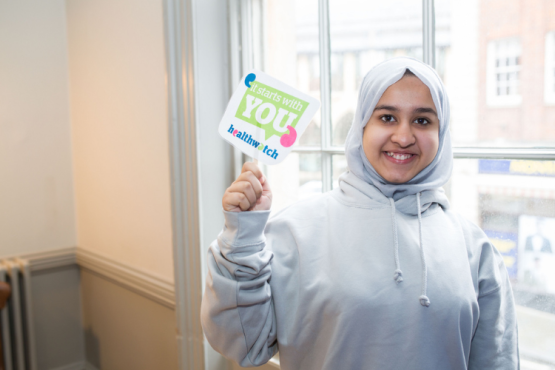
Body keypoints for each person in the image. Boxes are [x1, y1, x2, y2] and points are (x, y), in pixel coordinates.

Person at [201, 57, 519, 370]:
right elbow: (244, 344)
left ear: (442, 132)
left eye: (422, 120)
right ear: (362, 126)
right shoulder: (296, 231)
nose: (404, 137)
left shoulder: (475, 249)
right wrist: (243, 236)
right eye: (387, 118)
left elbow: (497, 361)